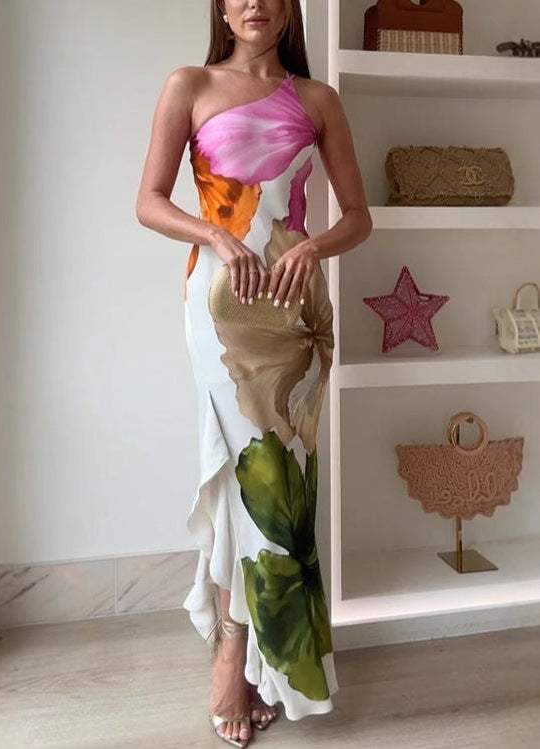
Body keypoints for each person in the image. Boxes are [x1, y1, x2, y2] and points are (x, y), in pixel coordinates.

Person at [136, 1, 372, 746]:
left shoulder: (317, 99)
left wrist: (314, 247)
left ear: (289, 7)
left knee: (284, 480)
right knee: (245, 471)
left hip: (295, 311)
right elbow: (148, 202)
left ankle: (258, 655)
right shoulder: (190, 85)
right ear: (220, 5)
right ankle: (232, 651)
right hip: (219, 305)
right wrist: (214, 234)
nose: (254, 4)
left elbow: (358, 216)